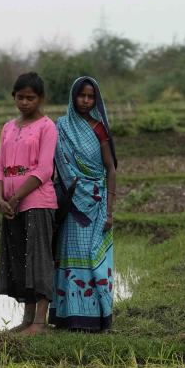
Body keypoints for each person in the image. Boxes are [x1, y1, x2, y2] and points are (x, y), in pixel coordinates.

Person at [52, 77, 118, 332]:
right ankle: (70, 317)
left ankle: (99, 317)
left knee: (94, 258)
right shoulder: (62, 127)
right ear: (73, 97)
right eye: (82, 96)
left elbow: (110, 169)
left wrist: (110, 210)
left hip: (97, 203)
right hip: (71, 204)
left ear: (96, 100)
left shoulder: (99, 129)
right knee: (70, 257)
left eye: (91, 97)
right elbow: (55, 166)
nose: (86, 101)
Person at [0, 72, 58, 334]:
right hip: (11, 205)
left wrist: (16, 197)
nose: (24, 103)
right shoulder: (8, 127)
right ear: (14, 97)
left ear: (40, 99)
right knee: (20, 260)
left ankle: (40, 322)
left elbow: (44, 170)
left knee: (38, 260)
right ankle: (27, 319)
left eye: (30, 98)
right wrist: (0, 199)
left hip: (38, 202)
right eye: (20, 97)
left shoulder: (47, 127)